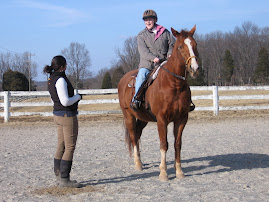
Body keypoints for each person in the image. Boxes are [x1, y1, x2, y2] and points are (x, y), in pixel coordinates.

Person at [43, 55, 82, 188]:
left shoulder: (51, 79)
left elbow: (53, 99)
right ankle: (64, 178)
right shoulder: (60, 80)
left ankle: (59, 175)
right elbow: (65, 101)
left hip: (57, 114)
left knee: (61, 144)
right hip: (67, 115)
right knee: (69, 146)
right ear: (62, 66)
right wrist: (78, 97)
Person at [130, 9, 175, 110]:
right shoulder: (141, 35)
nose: (148, 22)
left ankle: (183, 101)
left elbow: (172, 45)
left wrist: (170, 54)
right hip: (147, 64)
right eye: (146, 20)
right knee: (141, 76)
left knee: (177, 75)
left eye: (150, 19)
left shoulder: (165, 32)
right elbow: (143, 51)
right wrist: (153, 58)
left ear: (155, 20)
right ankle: (136, 99)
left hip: (164, 63)